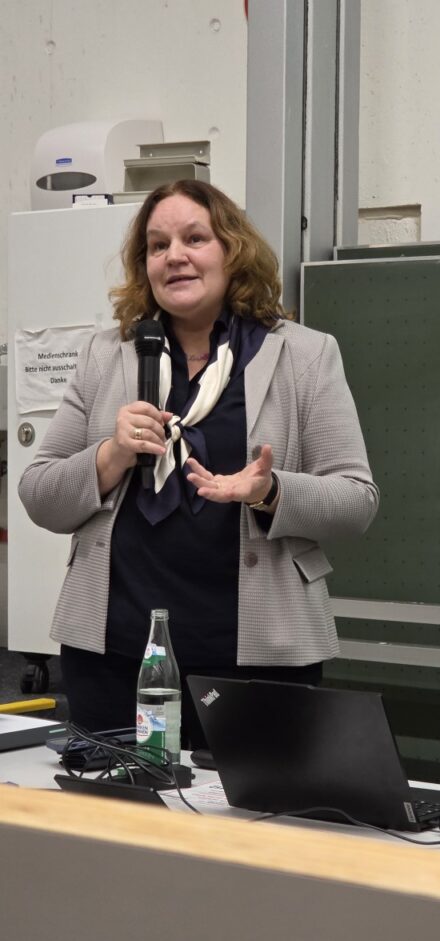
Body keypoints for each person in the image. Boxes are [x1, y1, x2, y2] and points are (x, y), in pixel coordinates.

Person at [19, 179, 379, 749]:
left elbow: (356, 502)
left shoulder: (306, 355)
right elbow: (39, 494)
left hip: (259, 660)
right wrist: (110, 455)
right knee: (115, 829)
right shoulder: (103, 355)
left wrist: (269, 492)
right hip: (113, 656)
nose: (175, 256)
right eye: (157, 246)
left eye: (195, 238)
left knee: (249, 833)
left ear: (232, 251)